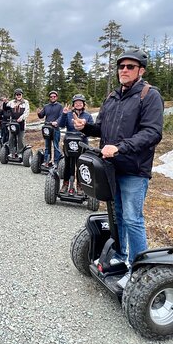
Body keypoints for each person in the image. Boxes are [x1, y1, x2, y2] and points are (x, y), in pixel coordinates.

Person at [73, 49, 164, 286]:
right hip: (111, 168)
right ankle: (122, 257)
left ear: (141, 70)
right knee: (118, 215)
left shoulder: (149, 95)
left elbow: (152, 133)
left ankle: (138, 270)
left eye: (130, 67)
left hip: (134, 169)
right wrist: (86, 127)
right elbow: (102, 128)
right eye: (121, 66)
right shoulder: (112, 97)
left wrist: (120, 148)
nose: (124, 70)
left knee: (133, 218)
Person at [58, 94, 93, 195]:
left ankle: (80, 186)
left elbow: (91, 130)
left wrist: (85, 128)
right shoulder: (68, 114)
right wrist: (64, 114)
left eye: (80, 102)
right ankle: (65, 184)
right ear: (73, 104)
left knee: (81, 164)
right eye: (76, 102)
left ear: (83, 104)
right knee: (68, 165)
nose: (78, 104)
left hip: (82, 143)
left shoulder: (88, 116)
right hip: (69, 142)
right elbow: (60, 125)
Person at [37, 90, 64, 167]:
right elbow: (41, 116)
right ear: (49, 98)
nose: (52, 98)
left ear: (57, 97)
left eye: (54, 96)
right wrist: (39, 113)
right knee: (47, 146)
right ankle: (46, 161)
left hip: (55, 128)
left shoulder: (60, 106)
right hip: (47, 128)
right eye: (51, 97)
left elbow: (61, 116)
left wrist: (57, 122)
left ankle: (56, 162)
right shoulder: (46, 106)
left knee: (55, 146)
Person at [6, 88, 29, 157]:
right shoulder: (11, 102)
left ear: (22, 95)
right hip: (13, 123)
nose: (18, 95)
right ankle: (11, 152)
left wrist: (21, 118)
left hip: (21, 123)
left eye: (20, 94)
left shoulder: (25, 102)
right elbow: (5, 109)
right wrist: (4, 103)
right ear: (15, 95)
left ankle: (20, 153)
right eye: (17, 94)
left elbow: (27, 112)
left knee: (20, 139)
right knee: (11, 138)